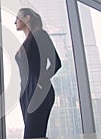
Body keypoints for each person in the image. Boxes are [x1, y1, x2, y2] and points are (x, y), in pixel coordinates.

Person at [14, 8, 61, 138]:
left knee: (32, 135)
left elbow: (56, 63)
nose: (15, 22)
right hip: (26, 93)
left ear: (27, 18)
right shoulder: (27, 41)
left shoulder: (40, 35)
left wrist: (40, 82)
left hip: (39, 91)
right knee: (35, 135)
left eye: (17, 18)